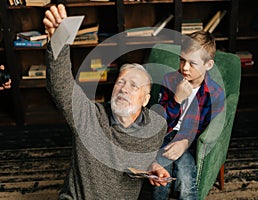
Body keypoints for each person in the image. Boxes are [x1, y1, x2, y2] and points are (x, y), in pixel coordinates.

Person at [43, 4, 170, 200]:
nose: (124, 88)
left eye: (134, 85)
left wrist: (152, 167)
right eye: (120, 82)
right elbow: (60, 86)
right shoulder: (90, 117)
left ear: (146, 99)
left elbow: (140, 158)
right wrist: (58, 40)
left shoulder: (157, 126)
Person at [152, 31, 225, 199]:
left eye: (192, 63)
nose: (184, 67)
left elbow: (206, 128)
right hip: (165, 136)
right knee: (160, 177)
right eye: (182, 60)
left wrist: (184, 142)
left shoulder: (214, 94)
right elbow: (160, 122)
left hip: (189, 143)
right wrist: (176, 99)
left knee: (186, 179)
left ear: (208, 65)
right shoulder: (170, 80)